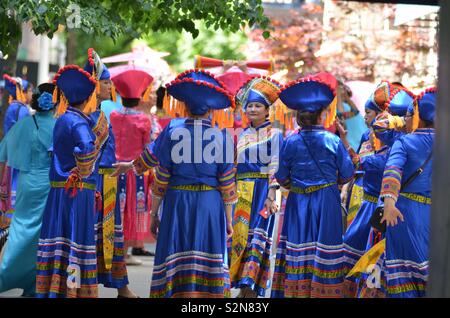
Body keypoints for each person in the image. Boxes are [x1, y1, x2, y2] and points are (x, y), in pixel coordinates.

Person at [114, 69, 238, 297]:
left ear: (185, 106)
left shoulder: (172, 129)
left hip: (177, 201)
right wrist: (228, 219)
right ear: (211, 109)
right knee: (207, 252)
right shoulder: (222, 136)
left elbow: (158, 169)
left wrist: (154, 213)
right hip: (209, 203)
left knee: (176, 251)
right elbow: (227, 183)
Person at [271, 72, 354, 298]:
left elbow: (280, 176)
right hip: (326, 200)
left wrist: (297, 185)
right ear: (320, 116)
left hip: (298, 201)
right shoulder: (333, 140)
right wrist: (330, 183)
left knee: (299, 245)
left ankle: (297, 292)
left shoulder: (290, 142)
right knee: (324, 246)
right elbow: (347, 173)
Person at [36, 64, 107, 298]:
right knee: (75, 243)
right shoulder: (79, 122)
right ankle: (72, 290)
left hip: (59, 192)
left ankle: (55, 290)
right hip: (77, 194)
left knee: (60, 243)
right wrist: (85, 171)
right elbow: (86, 149)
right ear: (88, 97)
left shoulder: (63, 119)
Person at [340, 82, 414, 297]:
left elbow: (368, 164)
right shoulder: (369, 138)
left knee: (373, 259)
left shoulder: (398, 144)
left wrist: (344, 142)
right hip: (365, 200)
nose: (366, 117)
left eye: (370, 112)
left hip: (382, 206)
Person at [83, 48, 137, 298]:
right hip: (94, 183)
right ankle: (89, 285)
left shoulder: (99, 114)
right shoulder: (84, 118)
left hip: (109, 182)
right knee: (93, 234)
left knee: (111, 233)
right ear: (94, 86)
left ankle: (121, 286)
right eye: (105, 82)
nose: (109, 86)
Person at [0, 83, 57, 297]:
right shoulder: (59, 126)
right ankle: (33, 284)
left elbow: (2, 154)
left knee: (21, 230)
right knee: (42, 236)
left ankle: (13, 276)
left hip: (26, 183)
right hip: (48, 185)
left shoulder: (23, 124)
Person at [378, 87, 436, 297]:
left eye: (410, 114)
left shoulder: (404, 141)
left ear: (419, 116)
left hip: (404, 214)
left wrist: (389, 203)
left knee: (404, 276)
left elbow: (393, 170)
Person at [230, 76, 283, 298]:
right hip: (241, 193)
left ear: (266, 110)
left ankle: (250, 289)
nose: (252, 109)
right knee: (240, 237)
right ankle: (242, 287)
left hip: (262, 192)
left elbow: (276, 165)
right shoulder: (243, 133)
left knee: (257, 239)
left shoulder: (275, 133)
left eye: (257, 106)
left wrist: (271, 196)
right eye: (249, 105)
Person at [109, 69, 155, 264]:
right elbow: (148, 147)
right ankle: (125, 253)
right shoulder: (143, 119)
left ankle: (114, 251)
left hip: (113, 169)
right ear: (139, 98)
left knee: (115, 208)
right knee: (133, 210)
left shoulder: (112, 115)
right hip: (135, 170)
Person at [0, 75, 33, 229]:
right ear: (23, 92)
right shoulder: (22, 109)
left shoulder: (11, 107)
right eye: (31, 91)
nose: (32, 95)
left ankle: (6, 219)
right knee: (16, 185)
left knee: (8, 186)